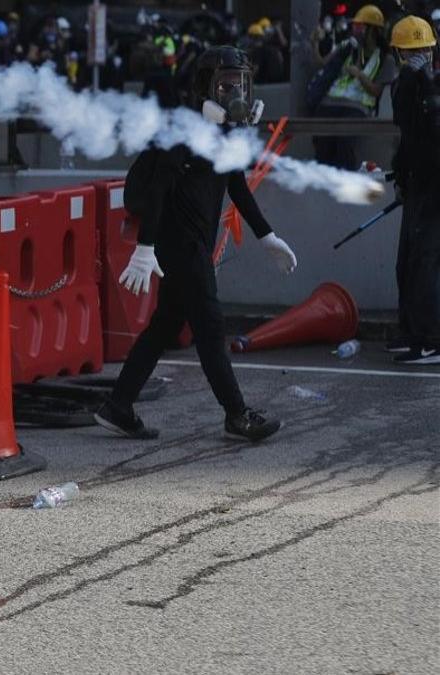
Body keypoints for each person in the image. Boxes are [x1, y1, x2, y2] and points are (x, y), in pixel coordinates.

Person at [95, 46, 296, 442]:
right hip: (180, 243)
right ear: (205, 86)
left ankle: (118, 406)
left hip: (192, 242)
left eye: (240, 82)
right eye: (225, 84)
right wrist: (144, 246)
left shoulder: (225, 132)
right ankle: (237, 415)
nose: (235, 92)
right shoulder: (185, 129)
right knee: (209, 326)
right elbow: (156, 190)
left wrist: (266, 235)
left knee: (165, 323)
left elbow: (236, 185)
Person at [386, 16, 439, 365]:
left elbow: (432, 130)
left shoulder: (432, 87)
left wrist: (422, 80)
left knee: (425, 265)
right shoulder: (406, 86)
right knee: (406, 263)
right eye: (410, 53)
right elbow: (406, 135)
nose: (417, 58)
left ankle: (431, 339)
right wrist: (402, 179)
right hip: (417, 185)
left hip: (435, 188)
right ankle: (410, 330)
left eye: (422, 52)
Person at [312, 5, 397, 170]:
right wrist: (315, 43)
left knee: (343, 147)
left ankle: (345, 185)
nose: (355, 30)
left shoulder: (386, 60)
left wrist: (359, 74)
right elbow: (323, 63)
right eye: (355, 26)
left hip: (356, 107)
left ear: (373, 30)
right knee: (322, 147)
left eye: (360, 27)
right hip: (330, 103)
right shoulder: (348, 48)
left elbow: (375, 91)